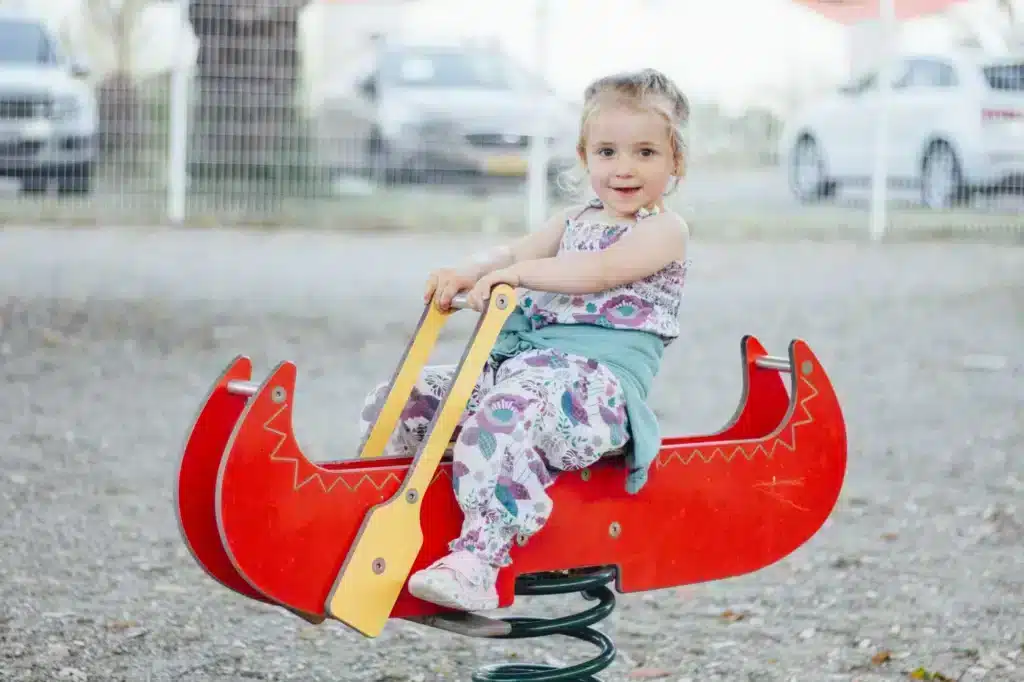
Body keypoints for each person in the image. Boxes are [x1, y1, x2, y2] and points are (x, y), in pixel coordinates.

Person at [357, 68, 691, 612]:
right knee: (403, 400)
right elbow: (510, 253)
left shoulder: (663, 230)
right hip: (528, 367)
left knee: (505, 416)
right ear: (585, 157)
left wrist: (521, 277)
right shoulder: (574, 219)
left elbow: (600, 271)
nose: (624, 169)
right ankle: (392, 514)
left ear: (675, 161)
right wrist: (467, 271)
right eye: (608, 151)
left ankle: (480, 559)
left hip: (594, 390)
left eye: (646, 153)